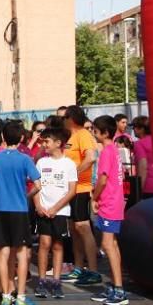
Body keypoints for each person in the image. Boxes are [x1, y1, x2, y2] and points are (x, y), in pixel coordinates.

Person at [0, 120, 41, 305]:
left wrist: (3, 188)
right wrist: (25, 195)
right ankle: (22, 296)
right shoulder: (25, 159)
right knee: (22, 252)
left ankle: (6, 295)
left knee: (3, 251)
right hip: (19, 209)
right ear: (22, 138)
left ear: (2, 137)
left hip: (2, 209)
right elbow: (38, 185)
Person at [32, 126, 76, 300]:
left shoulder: (69, 164)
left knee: (58, 245)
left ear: (58, 143)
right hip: (43, 210)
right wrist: (38, 206)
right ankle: (42, 280)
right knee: (44, 244)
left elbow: (72, 191)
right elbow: (36, 186)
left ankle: (56, 281)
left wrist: (56, 208)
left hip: (61, 211)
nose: (44, 144)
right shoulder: (41, 162)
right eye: (43, 141)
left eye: (47, 141)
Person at [61, 106, 102, 286]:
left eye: (64, 117)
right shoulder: (71, 136)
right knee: (74, 228)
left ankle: (93, 270)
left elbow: (91, 157)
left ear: (71, 118)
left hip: (81, 188)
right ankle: (78, 267)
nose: (62, 120)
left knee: (83, 227)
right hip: (70, 189)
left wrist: (74, 174)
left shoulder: (83, 134)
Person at [91, 116, 129, 305]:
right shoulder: (113, 149)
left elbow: (103, 180)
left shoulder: (107, 151)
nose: (93, 133)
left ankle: (119, 289)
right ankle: (116, 285)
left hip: (109, 202)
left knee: (107, 244)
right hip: (114, 202)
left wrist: (94, 197)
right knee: (112, 244)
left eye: (95, 130)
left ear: (104, 132)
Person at [132, 117, 153, 199]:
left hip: (148, 187)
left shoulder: (139, 144)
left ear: (142, 129)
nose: (133, 130)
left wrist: (138, 190)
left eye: (134, 127)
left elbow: (143, 166)